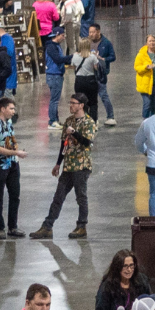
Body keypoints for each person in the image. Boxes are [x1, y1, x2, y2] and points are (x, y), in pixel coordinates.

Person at [30, 95, 96, 240]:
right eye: (70, 103)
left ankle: (81, 226)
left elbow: (87, 142)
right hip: (68, 165)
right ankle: (47, 227)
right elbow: (63, 144)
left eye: (74, 103)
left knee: (81, 197)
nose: (70, 105)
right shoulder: (68, 121)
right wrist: (58, 163)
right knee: (58, 197)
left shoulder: (89, 122)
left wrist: (74, 132)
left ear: (81, 105)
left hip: (81, 166)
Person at [0, 97, 26, 240]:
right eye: (11, 108)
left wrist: (16, 151)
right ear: (2, 109)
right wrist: (16, 153)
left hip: (12, 164)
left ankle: (13, 226)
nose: (13, 111)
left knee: (15, 195)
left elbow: (11, 139)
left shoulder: (9, 123)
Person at [134, 34, 155, 119]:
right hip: (145, 83)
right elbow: (137, 67)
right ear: (146, 43)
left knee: (154, 104)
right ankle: (145, 121)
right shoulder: (141, 54)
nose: (152, 43)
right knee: (147, 103)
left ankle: (154, 121)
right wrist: (146, 67)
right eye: (150, 41)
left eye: (153, 41)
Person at [88, 25, 116, 126]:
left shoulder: (106, 43)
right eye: (89, 32)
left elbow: (113, 57)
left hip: (100, 73)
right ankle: (92, 118)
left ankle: (110, 117)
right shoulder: (87, 42)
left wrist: (103, 59)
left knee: (103, 95)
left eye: (93, 32)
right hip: (89, 73)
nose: (91, 34)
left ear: (98, 32)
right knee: (90, 97)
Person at [70, 38, 100, 120]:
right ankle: (93, 121)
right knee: (93, 103)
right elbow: (96, 68)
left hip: (79, 81)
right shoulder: (92, 56)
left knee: (81, 102)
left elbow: (73, 67)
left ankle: (82, 120)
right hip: (91, 80)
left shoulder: (75, 56)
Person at [43, 28, 67, 129]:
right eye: (62, 35)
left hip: (56, 75)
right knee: (54, 100)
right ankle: (52, 121)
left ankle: (55, 120)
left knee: (55, 99)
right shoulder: (51, 47)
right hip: (54, 75)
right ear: (57, 35)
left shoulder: (56, 46)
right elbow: (58, 59)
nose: (64, 37)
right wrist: (71, 57)